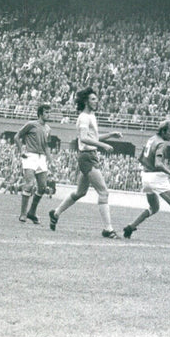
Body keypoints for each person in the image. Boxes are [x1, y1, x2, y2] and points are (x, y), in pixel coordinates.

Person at [49, 87, 122, 238]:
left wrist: (110, 135)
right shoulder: (83, 117)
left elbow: (93, 137)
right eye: (93, 99)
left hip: (90, 155)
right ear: (86, 101)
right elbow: (83, 138)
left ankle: (55, 214)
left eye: (96, 99)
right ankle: (108, 229)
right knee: (103, 192)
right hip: (86, 156)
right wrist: (103, 145)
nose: (96, 101)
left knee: (80, 192)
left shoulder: (91, 116)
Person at [14, 103, 53, 224]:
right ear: (40, 113)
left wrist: (50, 160)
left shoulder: (48, 129)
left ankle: (32, 212)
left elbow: (46, 146)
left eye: (49, 112)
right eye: (46, 112)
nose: (48, 114)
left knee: (42, 187)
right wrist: (21, 150)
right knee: (29, 184)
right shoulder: (31, 124)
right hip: (30, 156)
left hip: (41, 158)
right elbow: (17, 136)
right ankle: (23, 214)